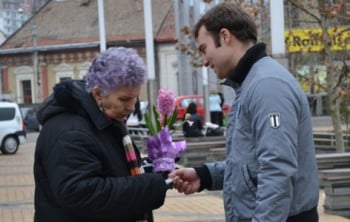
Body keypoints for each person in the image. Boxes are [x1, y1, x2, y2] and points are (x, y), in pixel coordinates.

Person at [169, 3, 319, 222]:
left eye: (204, 48)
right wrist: (205, 176)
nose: (204, 61)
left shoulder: (267, 86)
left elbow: (277, 170)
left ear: (225, 36)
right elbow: (251, 165)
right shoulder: (250, 84)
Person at [33, 47, 172, 222]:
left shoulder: (103, 121)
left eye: (134, 98)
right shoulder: (70, 132)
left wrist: (155, 169)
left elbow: (111, 167)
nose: (131, 107)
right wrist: (152, 184)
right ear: (98, 94)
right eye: (124, 99)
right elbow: (82, 194)